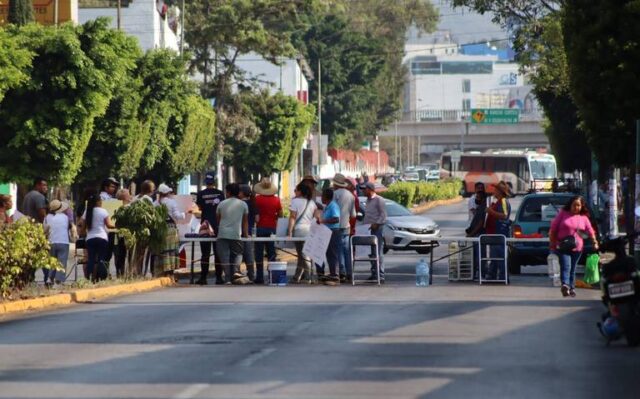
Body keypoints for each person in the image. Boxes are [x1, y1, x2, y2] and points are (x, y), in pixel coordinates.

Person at [549, 195, 598, 297]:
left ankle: (571, 288)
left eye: (579, 205)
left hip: (577, 247)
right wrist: (552, 242)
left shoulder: (584, 218)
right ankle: (565, 285)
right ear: (570, 205)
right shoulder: (563, 214)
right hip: (563, 246)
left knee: (573, 268)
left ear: (582, 206)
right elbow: (553, 228)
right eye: (574, 205)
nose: (576, 207)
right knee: (566, 265)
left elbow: (590, 231)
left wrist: (594, 242)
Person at [195, 173, 225, 285]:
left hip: (205, 225)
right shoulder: (220, 194)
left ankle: (203, 278)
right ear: (214, 182)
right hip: (218, 225)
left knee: (205, 253)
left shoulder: (201, 194)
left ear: (205, 182)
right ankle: (219, 278)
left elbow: (200, 207)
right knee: (218, 253)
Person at [216, 183, 249, 284]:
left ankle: (227, 279)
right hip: (236, 234)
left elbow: (218, 220)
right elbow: (245, 222)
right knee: (238, 254)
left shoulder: (221, 204)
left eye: (226, 191)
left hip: (222, 234)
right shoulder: (243, 204)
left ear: (229, 192)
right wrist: (246, 234)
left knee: (224, 257)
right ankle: (235, 271)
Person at [154, 184, 189, 277]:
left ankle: (162, 272)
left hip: (160, 229)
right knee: (172, 250)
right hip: (170, 229)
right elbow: (177, 216)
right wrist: (185, 213)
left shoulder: (155, 203)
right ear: (167, 193)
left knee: (162, 250)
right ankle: (170, 272)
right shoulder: (172, 202)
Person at [80, 193, 115, 282]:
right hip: (102, 238)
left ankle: (90, 278)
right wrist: (118, 225)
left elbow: (83, 227)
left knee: (91, 259)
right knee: (101, 259)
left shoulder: (87, 211)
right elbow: (109, 225)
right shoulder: (103, 211)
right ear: (98, 202)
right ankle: (101, 278)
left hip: (90, 239)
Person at [253, 178, 282, 284]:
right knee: (271, 253)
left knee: (259, 253)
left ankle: (259, 277)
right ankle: (272, 276)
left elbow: (255, 213)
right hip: (272, 228)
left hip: (260, 228)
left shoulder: (257, 199)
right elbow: (280, 214)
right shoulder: (277, 199)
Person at [288, 183, 318, 283]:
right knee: (303, 254)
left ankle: (309, 276)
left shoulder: (295, 202)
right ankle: (297, 276)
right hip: (309, 230)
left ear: (300, 191)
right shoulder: (312, 203)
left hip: (299, 230)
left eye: (296, 190)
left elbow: (292, 217)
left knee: (303, 254)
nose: (294, 192)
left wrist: (289, 232)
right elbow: (316, 217)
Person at [484, 181, 511, 280]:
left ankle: (502, 276)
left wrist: (491, 211)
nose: (494, 191)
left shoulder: (503, 201)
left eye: (495, 190)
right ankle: (493, 275)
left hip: (500, 232)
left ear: (500, 191)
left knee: (500, 256)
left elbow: (504, 215)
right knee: (494, 255)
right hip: (495, 232)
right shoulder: (498, 202)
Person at [332, 173, 355, 282]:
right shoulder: (351, 195)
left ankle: (342, 272)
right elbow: (353, 215)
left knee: (338, 250)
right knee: (346, 250)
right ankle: (350, 272)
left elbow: (331, 210)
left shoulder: (334, 194)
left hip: (336, 226)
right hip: (347, 226)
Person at [362, 182, 387, 283]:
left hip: (377, 228)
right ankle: (374, 273)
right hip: (368, 229)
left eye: (365, 189)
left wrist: (377, 223)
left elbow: (383, 215)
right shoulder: (367, 200)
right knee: (371, 252)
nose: (363, 191)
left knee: (378, 251)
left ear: (370, 190)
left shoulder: (379, 200)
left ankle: (381, 275)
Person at [44, 200, 73, 285]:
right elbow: (68, 227)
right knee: (61, 261)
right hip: (63, 241)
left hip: (51, 241)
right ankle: (59, 279)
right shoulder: (65, 217)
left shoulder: (47, 218)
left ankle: (50, 278)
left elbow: (44, 229)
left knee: (52, 261)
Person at [317, 188, 341, 286]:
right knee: (327, 253)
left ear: (326, 197)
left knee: (332, 254)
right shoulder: (328, 206)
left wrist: (323, 221)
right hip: (327, 231)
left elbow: (336, 219)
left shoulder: (333, 206)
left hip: (333, 231)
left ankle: (334, 276)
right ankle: (330, 274)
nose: (321, 198)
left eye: (322, 196)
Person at [465, 190, 488, 280]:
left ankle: (482, 273)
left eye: (478, 198)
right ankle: (475, 273)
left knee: (479, 256)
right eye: (476, 198)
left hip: (478, 235)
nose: (476, 199)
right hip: (475, 234)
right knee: (475, 255)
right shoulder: (479, 207)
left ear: (482, 199)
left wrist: (471, 234)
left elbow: (480, 223)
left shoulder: (483, 208)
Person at [239, 184, 256, 281]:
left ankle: (237, 275)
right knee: (249, 256)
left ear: (242, 193)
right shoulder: (253, 203)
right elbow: (257, 218)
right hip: (250, 233)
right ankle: (251, 275)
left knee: (237, 256)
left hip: (239, 232)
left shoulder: (239, 204)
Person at [113, 188, 132, 277]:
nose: (130, 196)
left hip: (120, 235)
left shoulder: (116, 208)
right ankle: (122, 274)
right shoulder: (127, 208)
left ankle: (121, 274)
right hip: (122, 235)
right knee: (121, 255)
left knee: (120, 256)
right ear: (125, 197)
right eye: (129, 194)